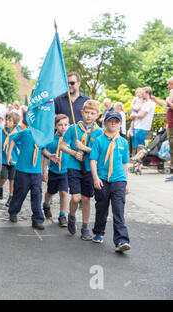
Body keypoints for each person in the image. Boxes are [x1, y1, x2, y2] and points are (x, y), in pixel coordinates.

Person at [59, 100, 103, 240]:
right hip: (74, 167)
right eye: (87, 112)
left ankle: (85, 227)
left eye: (92, 113)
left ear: (97, 115)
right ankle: (71, 216)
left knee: (86, 199)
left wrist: (84, 149)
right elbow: (62, 146)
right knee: (76, 197)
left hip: (90, 169)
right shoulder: (73, 128)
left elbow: (99, 153)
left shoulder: (99, 132)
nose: (89, 116)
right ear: (82, 113)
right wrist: (74, 153)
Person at [90, 111, 131, 252]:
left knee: (118, 209)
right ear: (105, 123)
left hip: (119, 179)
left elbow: (125, 163)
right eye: (110, 120)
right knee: (101, 207)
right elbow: (93, 160)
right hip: (102, 179)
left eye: (116, 121)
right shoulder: (99, 141)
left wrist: (126, 182)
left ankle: (121, 240)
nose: (113, 123)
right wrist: (95, 178)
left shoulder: (123, 142)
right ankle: (98, 232)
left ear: (120, 124)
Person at [6, 125, 45, 229]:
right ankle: (13, 211)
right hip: (23, 170)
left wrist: (51, 156)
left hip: (36, 171)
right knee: (20, 193)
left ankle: (37, 219)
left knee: (37, 194)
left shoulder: (43, 135)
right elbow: (14, 139)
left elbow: (43, 150)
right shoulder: (26, 132)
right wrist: (9, 154)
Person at [41, 114, 70, 227]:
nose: (63, 127)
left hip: (66, 171)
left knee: (64, 192)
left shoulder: (71, 139)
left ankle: (62, 215)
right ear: (55, 126)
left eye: (66, 125)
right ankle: (46, 204)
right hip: (53, 171)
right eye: (60, 125)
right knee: (51, 192)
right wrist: (44, 171)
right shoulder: (51, 140)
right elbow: (44, 154)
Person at [0, 112, 20, 207]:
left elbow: (21, 146)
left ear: (15, 124)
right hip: (3, 159)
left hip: (14, 160)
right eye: (6, 119)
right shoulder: (1, 132)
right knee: (3, 177)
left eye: (10, 120)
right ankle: (0, 187)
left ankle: (11, 196)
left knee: (12, 179)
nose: (7, 122)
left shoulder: (18, 133)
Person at [151, 77, 173, 182]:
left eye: (169, 84)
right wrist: (155, 100)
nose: (167, 86)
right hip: (170, 125)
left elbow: (169, 105)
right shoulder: (171, 95)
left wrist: (169, 102)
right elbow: (165, 106)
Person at [130, 87, 156, 154]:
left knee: (141, 146)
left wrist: (133, 115)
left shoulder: (150, 103)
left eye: (143, 93)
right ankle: (138, 161)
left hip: (142, 127)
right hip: (137, 126)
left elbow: (142, 115)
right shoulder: (144, 102)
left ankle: (141, 162)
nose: (141, 94)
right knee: (137, 146)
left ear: (147, 93)